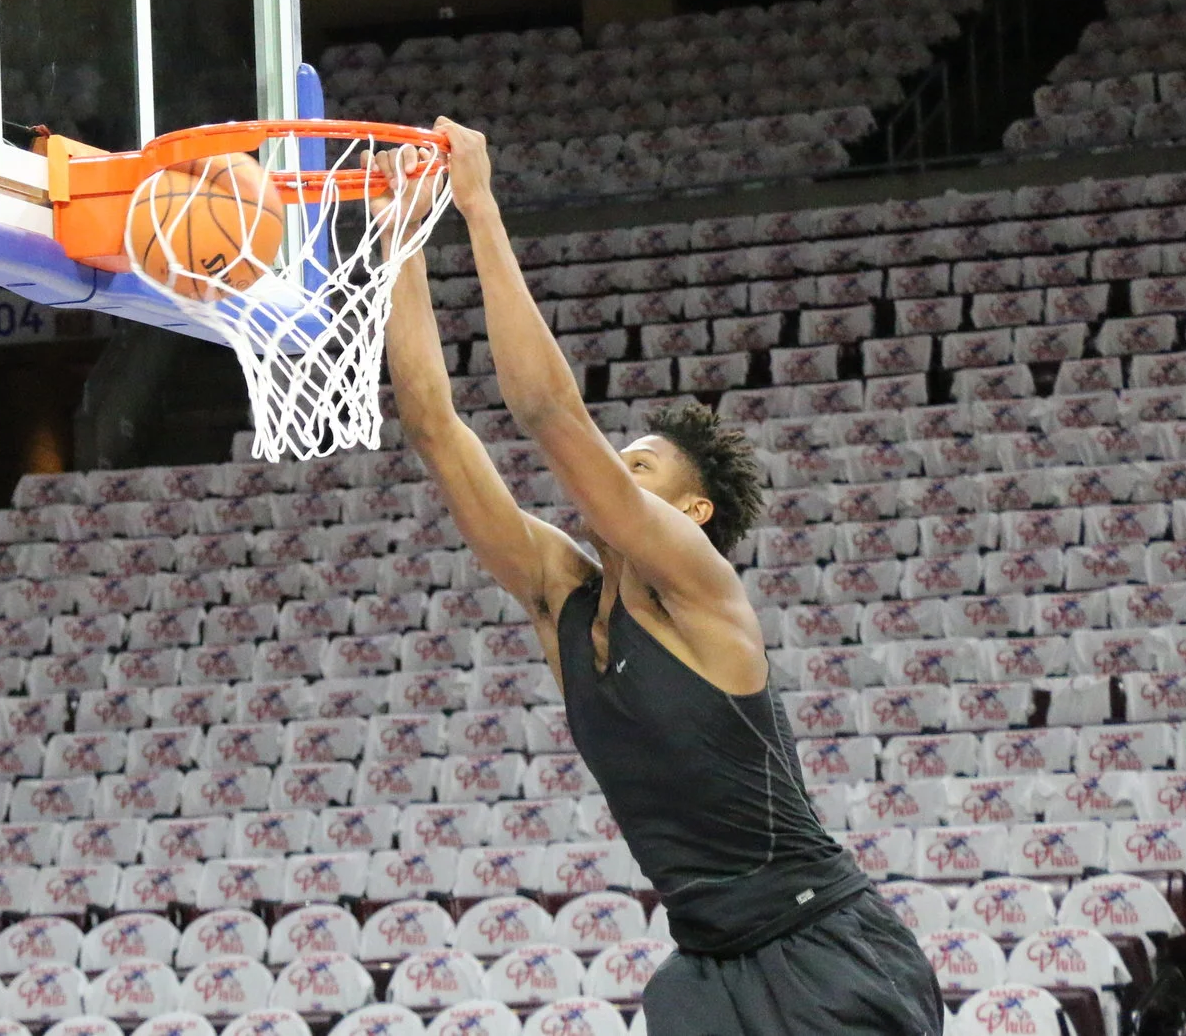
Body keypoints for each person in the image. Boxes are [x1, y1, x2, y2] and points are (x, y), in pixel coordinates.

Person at [380, 119, 942, 1036]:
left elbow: (548, 411)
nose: (612, 472)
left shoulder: (704, 591)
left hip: (822, 948)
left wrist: (476, 205)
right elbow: (434, 428)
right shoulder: (558, 595)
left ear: (693, 512)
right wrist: (402, 237)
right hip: (705, 969)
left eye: (637, 466)